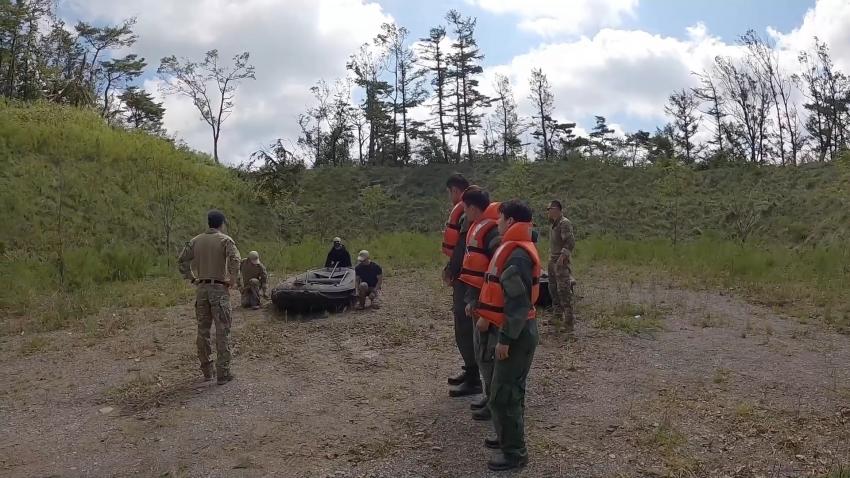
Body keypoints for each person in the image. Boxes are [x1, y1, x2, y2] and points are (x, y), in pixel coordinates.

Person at [476, 200, 541, 471]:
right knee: (510, 390)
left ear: (511, 221)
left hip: (515, 333)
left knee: (504, 393)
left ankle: (515, 453)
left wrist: (504, 340)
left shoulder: (515, 256)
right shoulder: (513, 249)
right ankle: (507, 438)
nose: (497, 223)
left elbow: (517, 304)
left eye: (501, 219)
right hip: (516, 330)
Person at [178, 210, 241, 385]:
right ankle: (223, 373)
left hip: (202, 289)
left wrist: (191, 277)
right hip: (219, 289)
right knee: (223, 331)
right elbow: (236, 259)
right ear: (222, 223)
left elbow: (182, 260)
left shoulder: (195, 240)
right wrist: (233, 279)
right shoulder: (225, 240)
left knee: (203, 331)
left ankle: (207, 371)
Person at [458, 188, 502, 413]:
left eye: (465, 208)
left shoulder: (492, 232)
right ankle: (489, 395)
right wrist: (470, 299)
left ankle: (495, 401)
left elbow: (497, 272)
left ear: (473, 208)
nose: (464, 212)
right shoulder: (477, 228)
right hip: (478, 303)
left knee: (489, 354)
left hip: (489, 308)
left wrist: (484, 309)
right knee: (481, 353)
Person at [442, 174, 483, 399]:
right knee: (465, 326)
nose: (450, 197)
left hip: (466, 279)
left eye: (450, 193)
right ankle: (470, 371)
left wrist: (451, 270)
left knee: (464, 326)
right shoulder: (473, 209)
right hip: (469, 277)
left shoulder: (466, 214)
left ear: (456, 191)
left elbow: (461, 247)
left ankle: (474, 378)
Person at [546, 200, 577, 335]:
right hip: (552, 260)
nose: (548, 211)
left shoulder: (564, 223)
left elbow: (570, 242)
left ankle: (569, 322)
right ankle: (557, 315)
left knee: (564, 290)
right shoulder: (554, 224)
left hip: (560, 262)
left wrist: (562, 258)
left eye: (550, 209)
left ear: (557, 209)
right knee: (552, 289)